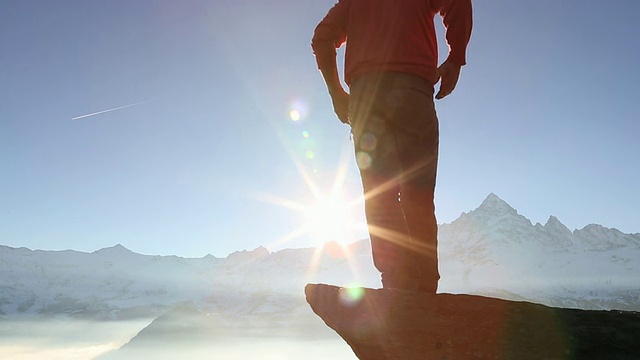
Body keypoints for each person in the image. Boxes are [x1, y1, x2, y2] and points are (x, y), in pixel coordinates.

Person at [311, 0, 472, 293]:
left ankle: (395, 286)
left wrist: (336, 93)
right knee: (418, 196)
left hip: (365, 99)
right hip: (412, 92)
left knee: (379, 197)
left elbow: (322, 37)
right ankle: (423, 290)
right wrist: (455, 59)